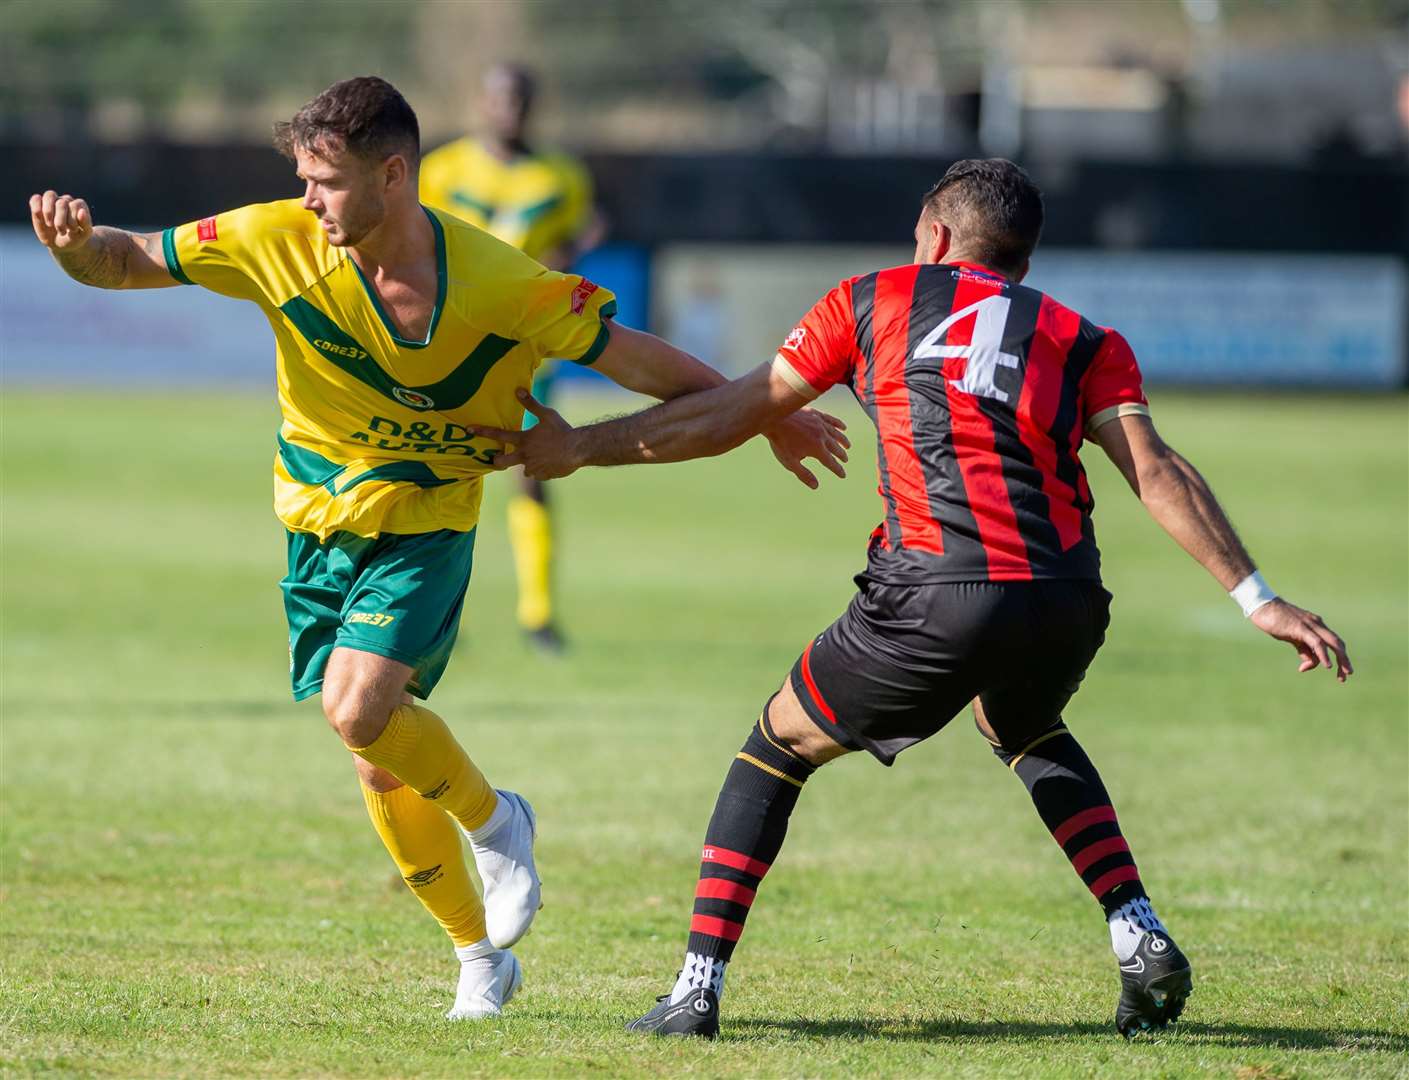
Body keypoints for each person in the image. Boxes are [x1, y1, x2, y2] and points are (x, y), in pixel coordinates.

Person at [467, 158, 1354, 1039]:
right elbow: (1156, 472)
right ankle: (1138, 933)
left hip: (935, 592)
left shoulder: (873, 297)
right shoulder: (1083, 338)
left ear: (933, 236)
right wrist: (1256, 597)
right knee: (1020, 722)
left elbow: (722, 415)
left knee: (774, 745)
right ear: (1023, 262)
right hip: (1065, 597)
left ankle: (694, 992)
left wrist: (580, 447)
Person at [28, 76, 844, 1023]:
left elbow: (640, 362)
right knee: (378, 758)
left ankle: (499, 822)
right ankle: (476, 957)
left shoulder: (500, 283)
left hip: (426, 525)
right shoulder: (272, 240)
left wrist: (766, 414)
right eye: (300, 178)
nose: (307, 200)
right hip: (316, 532)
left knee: (356, 707)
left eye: (324, 180)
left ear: (392, 175)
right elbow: (130, 261)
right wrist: (78, 247)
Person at [420, 63, 601, 653]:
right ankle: (429, 611)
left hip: (527, 353)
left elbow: (572, 242)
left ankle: (538, 616)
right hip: (446, 346)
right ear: (482, 102)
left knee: (534, 471)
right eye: (500, 98)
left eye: (520, 99)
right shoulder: (442, 170)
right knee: (434, 472)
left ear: (532, 105)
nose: (510, 110)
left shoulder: (562, 178)